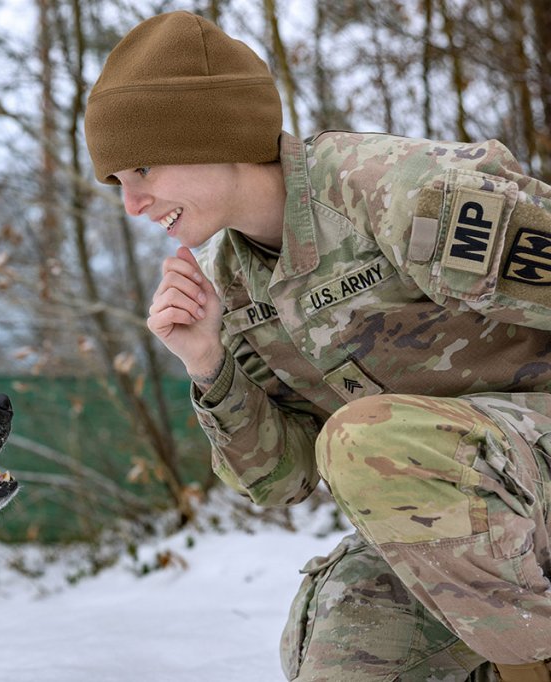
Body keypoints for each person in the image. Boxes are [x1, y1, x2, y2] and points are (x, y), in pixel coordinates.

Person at [84, 10, 551, 682]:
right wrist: (209, 365)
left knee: (366, 438)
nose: (132, 204)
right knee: (346, 630)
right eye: (118, 185)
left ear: (216, 134)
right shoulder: (234, 289)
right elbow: (286, 479)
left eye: (143, 169)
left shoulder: (399, 193)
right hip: (479, 527)